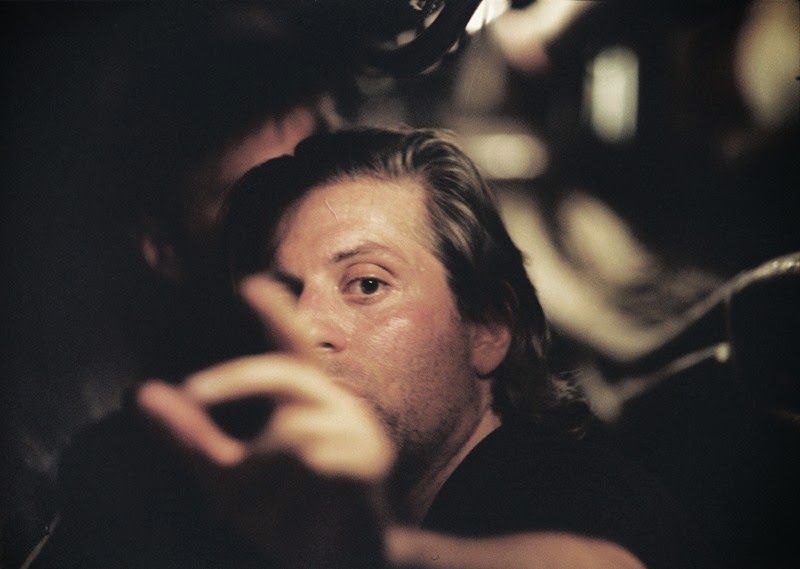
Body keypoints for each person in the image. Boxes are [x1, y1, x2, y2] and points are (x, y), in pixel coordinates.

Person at [40, 128, 692, 569]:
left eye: (367, 284)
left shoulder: (578, 491)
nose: (307, 326)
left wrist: (373, 554)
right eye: (283, 293)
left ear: (487, 327)